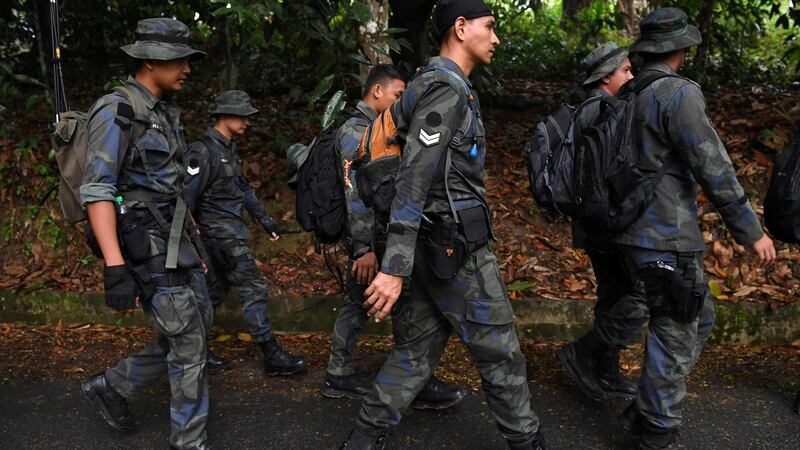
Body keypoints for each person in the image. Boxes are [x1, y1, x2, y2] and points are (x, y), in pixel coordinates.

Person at [558, 8, 776, 450]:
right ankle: (654, 431)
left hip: (631, 232)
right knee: (676, 329)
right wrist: (750, 230)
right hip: (666, 235)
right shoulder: (678, 94)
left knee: (697, 317)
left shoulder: (630, 92)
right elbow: (713, 166)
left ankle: (646, 405)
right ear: (684, 49)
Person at [341, 1, 545, 448]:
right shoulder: (446, 89)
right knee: (501, 354)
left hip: (429, 246)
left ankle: (361, 439)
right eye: (489, 27)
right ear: (460, 27)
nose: (495, 38)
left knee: (415, 353)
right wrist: (393, 268)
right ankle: (528, 442)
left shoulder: (427, 83)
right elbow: (415, 175)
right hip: (452, 250)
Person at [79, 18, 212, 450]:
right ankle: (188, 442)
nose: (187, 68)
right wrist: (115, 266)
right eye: (179, 60)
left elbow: (170, 188)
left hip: (175, 241)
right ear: (151, 60)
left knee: (198, 326)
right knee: (189, 341)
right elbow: (98, 189)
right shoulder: (117, 109)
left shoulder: (163, 112)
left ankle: (113, 385)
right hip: (144, 244)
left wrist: (194, 243)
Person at [324, 64, 466, 409]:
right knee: (372, 301)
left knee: (369, 301)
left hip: (377, 235)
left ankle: (348, 374)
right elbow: (354, 194)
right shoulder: (355, 132)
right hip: (368, 240)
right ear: (377, 91)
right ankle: (351, 375)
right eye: (398, 95)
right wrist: (363, 250)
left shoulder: (375, 129)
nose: (403, 103)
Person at [183, 90, 306, 376]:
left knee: (212, 294)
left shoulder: (227, 149)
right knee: (252, 288)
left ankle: (192, 351)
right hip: (220, 238)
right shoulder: (202, 151)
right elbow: (185, 200)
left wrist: (266, 221)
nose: (248, 122)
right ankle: (272, 355)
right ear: (224, 115)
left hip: (227, 235)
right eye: (242, 115)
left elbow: (243, 189)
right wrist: (192, 241)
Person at [559, 42, 638, 401]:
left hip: (593, 221)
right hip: (608, 221)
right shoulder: (605, 110)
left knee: (613, 292)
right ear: (607, 76)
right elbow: (613, 172)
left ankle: (605, 369)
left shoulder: (587, 109)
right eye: (625, 70)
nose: (631, 75)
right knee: (639, 293)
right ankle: (584, 352)